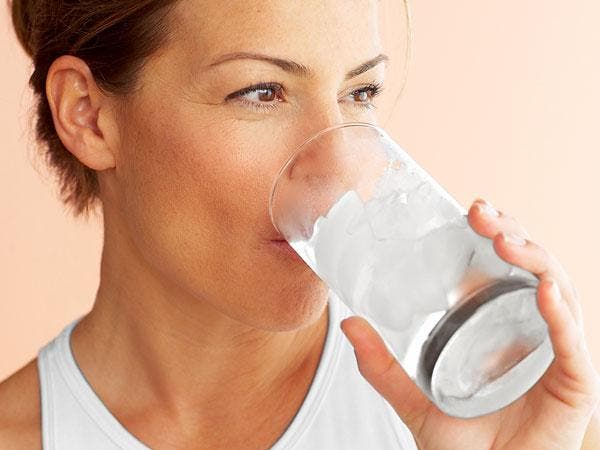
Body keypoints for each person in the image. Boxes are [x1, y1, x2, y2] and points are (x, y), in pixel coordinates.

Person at [1, 0, 599, 448]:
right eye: (261, 91)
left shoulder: (491, 416)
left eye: (360, 92)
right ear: (88, 115)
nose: (339, 170)